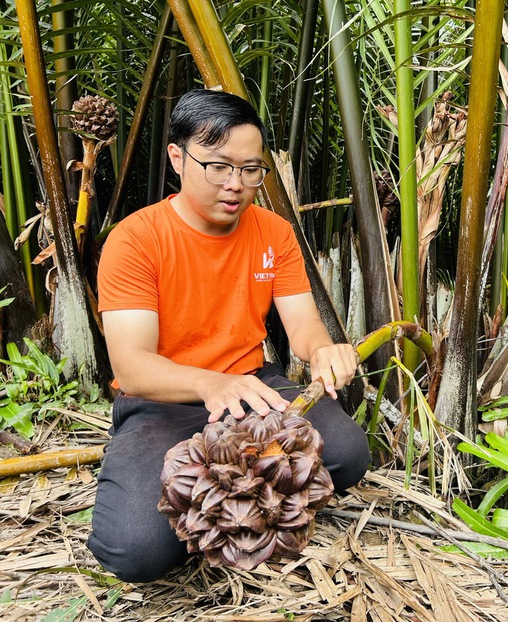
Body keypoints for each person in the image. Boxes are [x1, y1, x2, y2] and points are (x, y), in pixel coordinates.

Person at [87, 89, 370, 583]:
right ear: (178, 157)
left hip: (254, 386)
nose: (235, 184)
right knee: (132, 552)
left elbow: (301, 322)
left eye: (250, 169)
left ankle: (235, 495)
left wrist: (323, 349)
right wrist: (209, 385)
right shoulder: (135, 239)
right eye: (217, 166)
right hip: (164, 399)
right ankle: (211, 486)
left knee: (348, 455)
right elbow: (132, 366)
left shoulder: (274, 232)